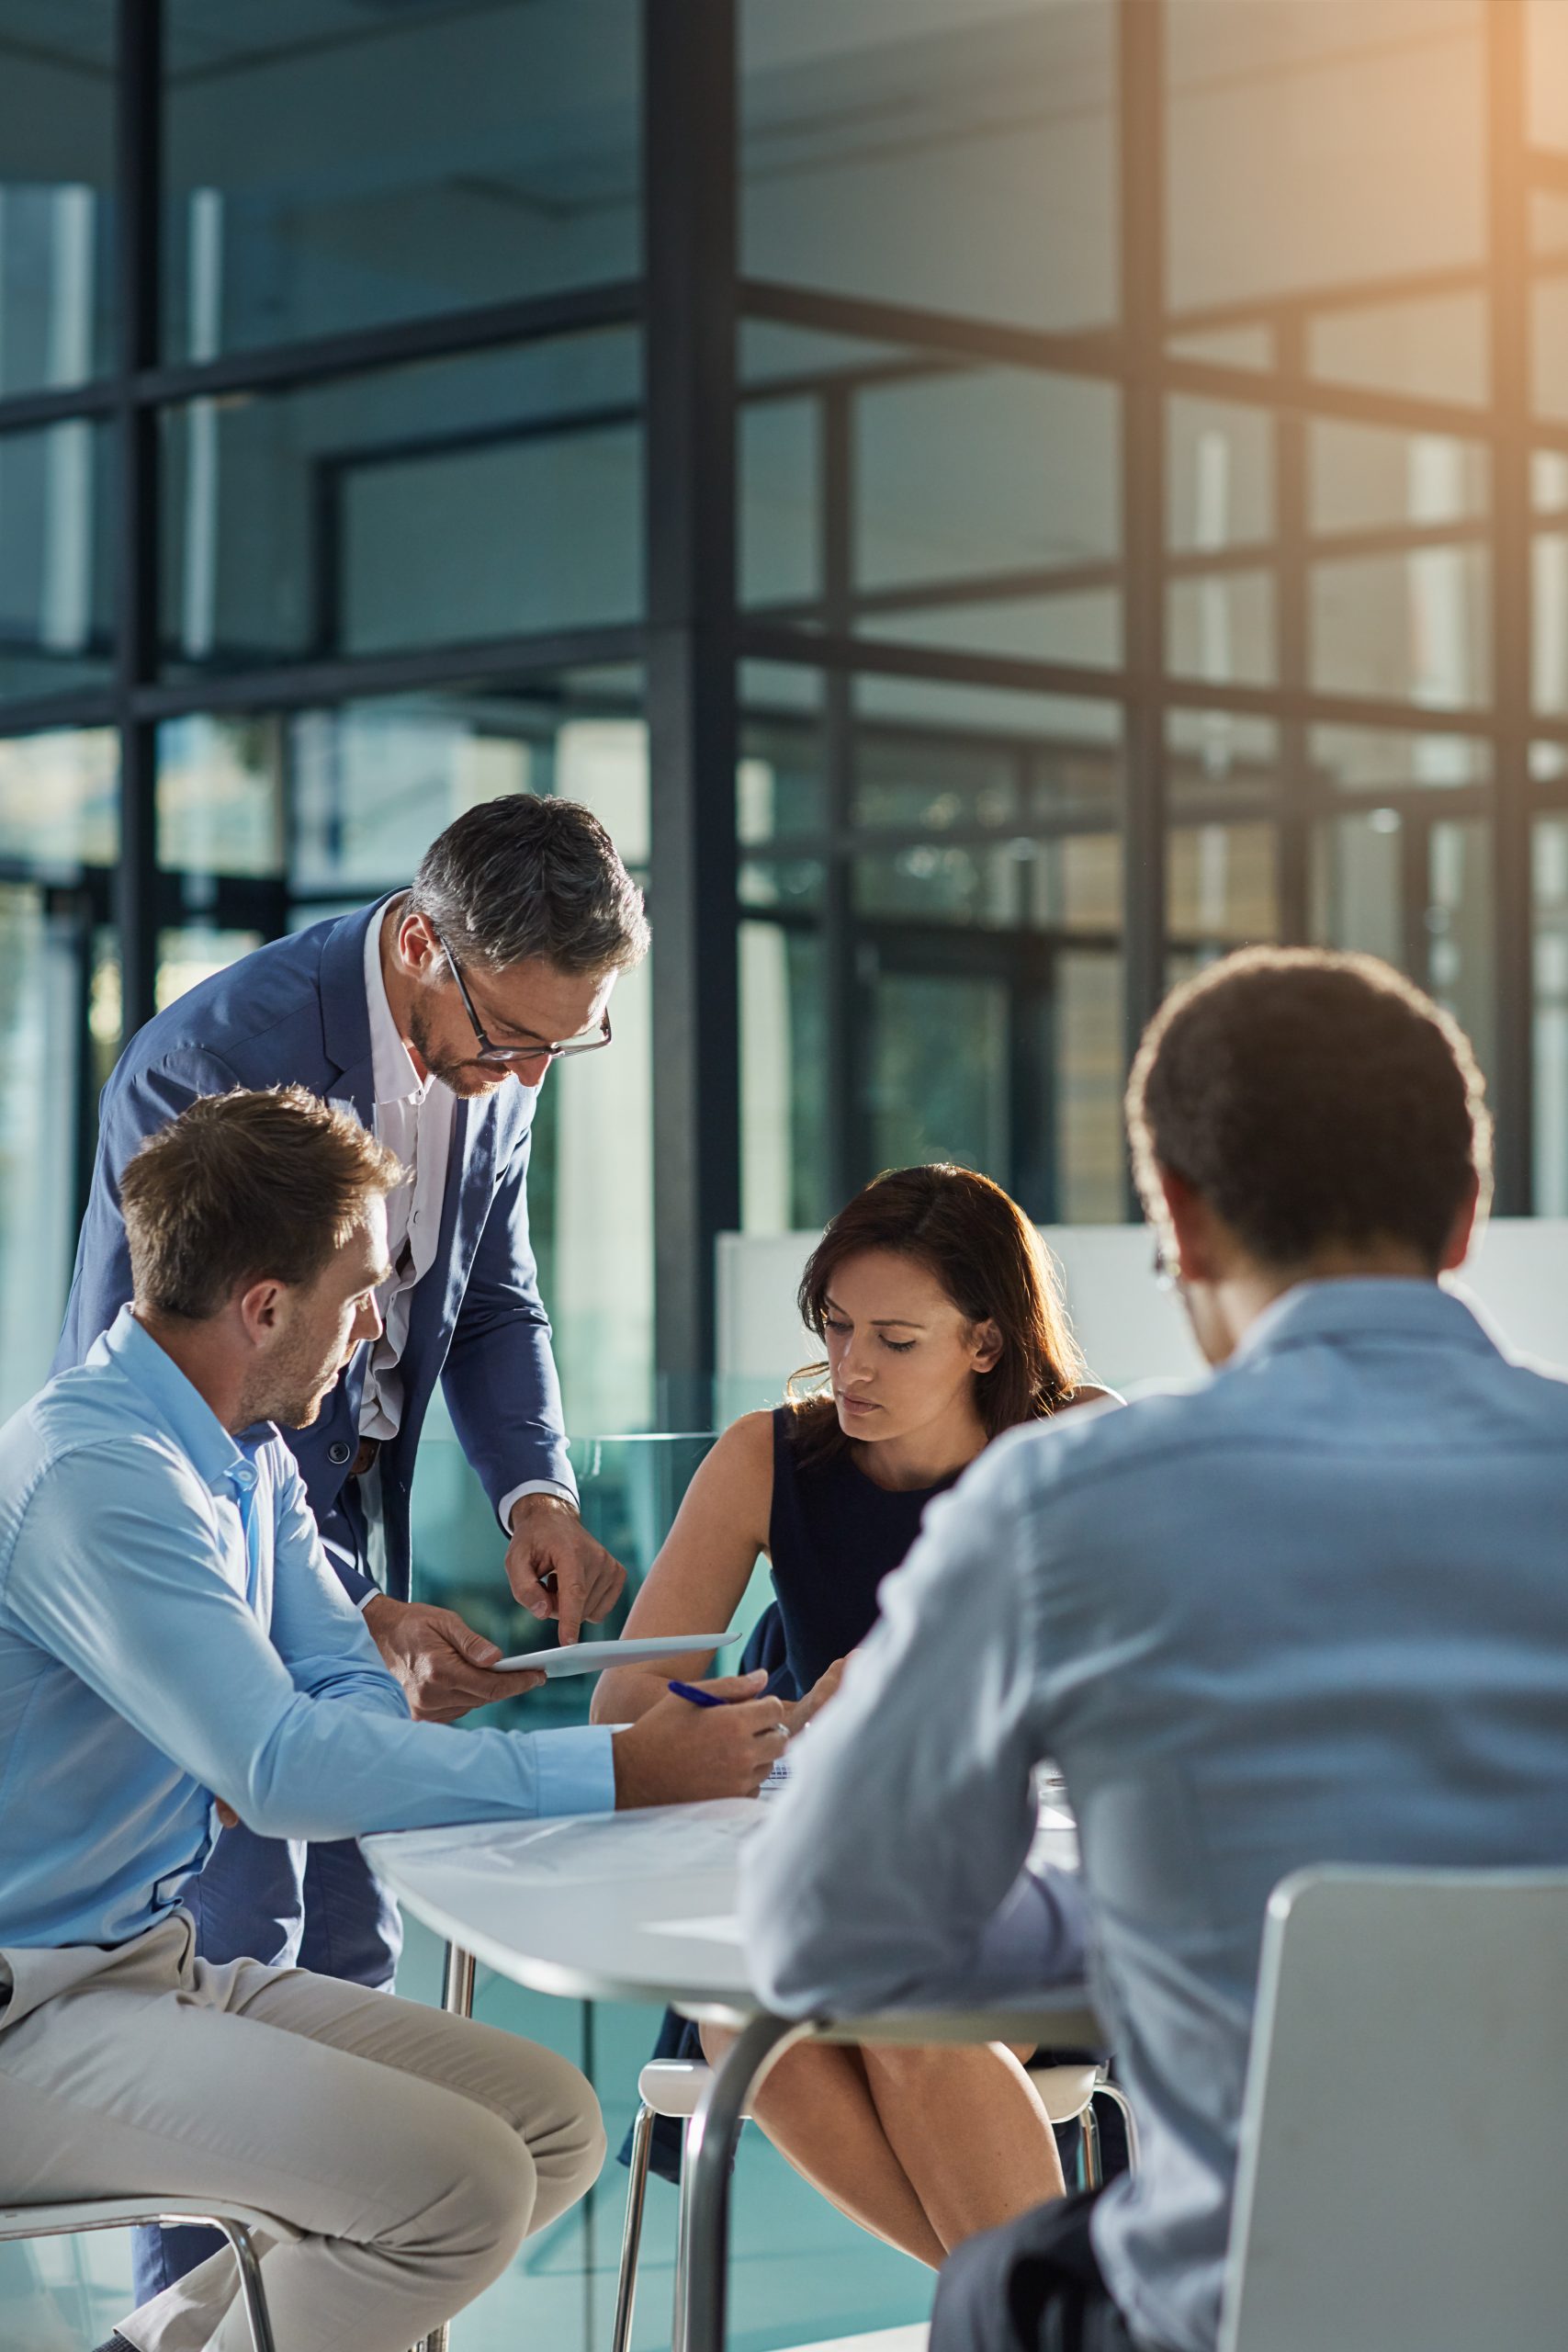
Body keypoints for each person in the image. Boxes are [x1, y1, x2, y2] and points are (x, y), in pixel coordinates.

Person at [738, 944, 1568, 2352]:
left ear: (1174, 1219)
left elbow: (827, 1929)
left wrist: (1134, 1907)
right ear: (1468, 1213)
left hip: (1237, 2309)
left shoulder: (1068, 1504)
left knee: (1007, 2286)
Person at [0, 1086, 786, 2352]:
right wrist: (625, 1769)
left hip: (142, 1971)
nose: (375, 1326)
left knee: (545, 2121)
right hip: (25, 2018)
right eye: (359, 1288)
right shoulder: (103, 1476)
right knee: (455, 2191)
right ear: (264, 1306)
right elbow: (280, 1766)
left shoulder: (236, 1445)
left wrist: (327, 1741)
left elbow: (342, 1679)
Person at [55, 794, 648, 2299]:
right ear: (417, 945)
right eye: (499, 1040)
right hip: (215, 1536)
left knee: (358, 1940)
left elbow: (495, 1294)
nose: (516, 1077)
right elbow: (175, 1393)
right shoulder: (212, 1059)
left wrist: (536, 1495)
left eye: (554, 1052)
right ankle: (185, 2318)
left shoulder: (503, 1046)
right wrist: (343, 1618)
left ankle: (283, 2331)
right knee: (239, 1944)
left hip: (330, 1529)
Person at [595, 1163, 1115, 2266]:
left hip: (1021, 1882)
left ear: (985, 1341)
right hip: (826, 1870)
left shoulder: (1074, 1443)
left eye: (895, 1337)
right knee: (741, 2018)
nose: (851, 1365)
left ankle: (1030, 2322)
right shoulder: (767, 1455)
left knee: (899, 2018)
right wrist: (775, 1716)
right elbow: (628, 1701)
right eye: (835, 1327)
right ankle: (1049, 2323)